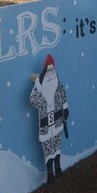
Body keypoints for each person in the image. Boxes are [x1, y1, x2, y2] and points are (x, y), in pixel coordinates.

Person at [29, 54, 69, 183]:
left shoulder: (57, 84)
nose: (51, 74)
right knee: (47, 147)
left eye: (52, 71)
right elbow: (33, 100)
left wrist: (65, 108)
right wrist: (41, 92)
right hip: (46, 124)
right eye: (48, 71)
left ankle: (57, 168)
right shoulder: (39, 88)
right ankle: (50, 173)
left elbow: (63, 95)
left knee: (57, 144)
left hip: (57, 121)